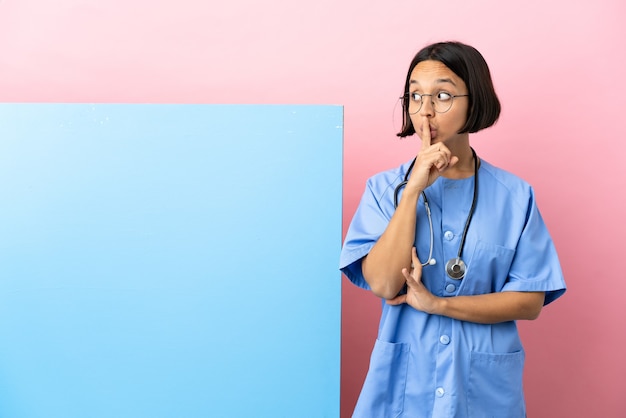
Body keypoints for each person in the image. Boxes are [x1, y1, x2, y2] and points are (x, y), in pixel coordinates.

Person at [339, 41, 566, 418]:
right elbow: (381, 283)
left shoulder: (514, 196)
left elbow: (530, 301)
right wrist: (412, 191)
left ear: (473, 102)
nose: (425, 110)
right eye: (414, 95)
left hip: (481, 387)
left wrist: (439, 305)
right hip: (405, 383)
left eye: (442, 95)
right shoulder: (385, 190)